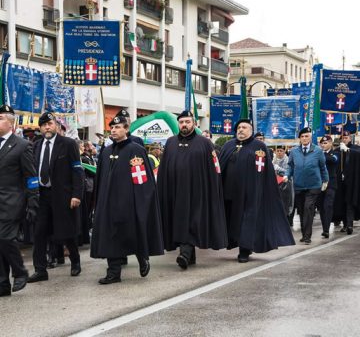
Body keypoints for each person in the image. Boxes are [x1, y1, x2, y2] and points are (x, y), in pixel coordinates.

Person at [90, 115, 163, 284]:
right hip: (108, 202)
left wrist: (141, 201)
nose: (114, 131)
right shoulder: (106, 151)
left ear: (126, 129)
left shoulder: (135, 150)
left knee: (132, 234)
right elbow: (100, 177)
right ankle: (113, 272)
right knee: (111, 236)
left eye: (118, 128)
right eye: (112, 128)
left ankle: (142, 257)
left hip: (128, 201)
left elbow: (141, 179)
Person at [157, 111, 227, 270]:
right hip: (175, 192)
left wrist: (212, 189)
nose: (184, 125)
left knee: (192, 221)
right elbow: (164, 167)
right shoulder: (171, 143)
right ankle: (189, 256)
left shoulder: (205, 143)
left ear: (194, 123)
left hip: (198, 192)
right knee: (180, 220)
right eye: (181, 122)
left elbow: (215, 168)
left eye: (187, 122)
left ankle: (185, 254)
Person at [219, 119, 295, 263]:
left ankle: (244, 250)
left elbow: (266, 172)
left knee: (247, 221)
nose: (241, 129)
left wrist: (263, 189)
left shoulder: (259, 147)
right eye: (239, 127)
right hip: (230, 192)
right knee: (232, 220)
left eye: (244, 127)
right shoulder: (229, 145)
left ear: (251, 130)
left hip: (250, 193)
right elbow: (220, 167)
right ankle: (236, 243)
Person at [28, 112, 83, 283]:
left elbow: (77, 170)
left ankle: (75, 261)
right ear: (40, 128)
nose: (47, 127)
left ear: (56, 126)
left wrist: (76, 195)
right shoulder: (36, 145)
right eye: (43, 125)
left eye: (50, 124)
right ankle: (40, 270)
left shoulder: (67, 144)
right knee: (39, 233)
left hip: (62, 196)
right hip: (42, 195)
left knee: (66, 231)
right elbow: (31, 171)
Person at [0, 105, 39, 297]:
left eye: (0, 118)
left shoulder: (22, 146)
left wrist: (33, 202)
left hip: (12, 202)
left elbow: (31, 177)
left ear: (10, 122)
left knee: (5, 238)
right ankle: (2, 283)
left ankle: (20, 271)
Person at [284, 127, 329, 244]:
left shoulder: (318, 151)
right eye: (302, 136)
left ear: (310, 137)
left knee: (308, 208)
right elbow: (290, 166)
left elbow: (323, 167)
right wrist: (286, 175)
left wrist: (325, 181)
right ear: (299, 138)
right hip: (299, 186)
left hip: (313, 185)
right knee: (302, 211)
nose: (304, 138)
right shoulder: (294, 151)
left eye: (306, 136)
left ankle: (307, 236)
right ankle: (304, 234)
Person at [333, 131, 360, 233]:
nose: (345, 139)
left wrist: (348, 150)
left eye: (346, 137)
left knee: (349, 203)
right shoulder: (337, 150)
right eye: (343, 137)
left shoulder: (355, 149)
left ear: (350, 138)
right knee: (341, 203)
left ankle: (349, 225)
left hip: (351, 181)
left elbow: (358, 154)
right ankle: (344, 224)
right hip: (340, 182)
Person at [318, 135, 338, 238]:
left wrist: (320, 156)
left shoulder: (334, 153)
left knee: (328, 206)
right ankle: (325, 228)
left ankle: (326, 229)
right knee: (321, 207)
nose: (323, 145)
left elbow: (333, 160)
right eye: (322, 143)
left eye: (325, 143)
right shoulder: (319, 153)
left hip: (331, 184)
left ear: (330, 143)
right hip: (320, 184)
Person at [273, 145, 294, 226]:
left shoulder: (287, 159)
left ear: (284, 151)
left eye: (281, 151)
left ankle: (288, 220)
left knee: (287, 202)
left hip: (286, 184)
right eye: (277, 151)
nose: (279, 152)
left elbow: (288, 171)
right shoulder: (274, 159)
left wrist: (278, 169)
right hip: (276, 183)